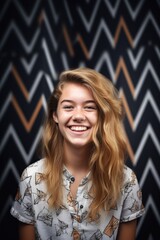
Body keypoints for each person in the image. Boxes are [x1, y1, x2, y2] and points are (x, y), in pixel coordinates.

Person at [10, 67, 145, 240]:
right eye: (68, 107)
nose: (78, 116)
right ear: (55, 116)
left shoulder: (126, 180)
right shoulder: (30, 178)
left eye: (89, 107)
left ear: (102, 116)